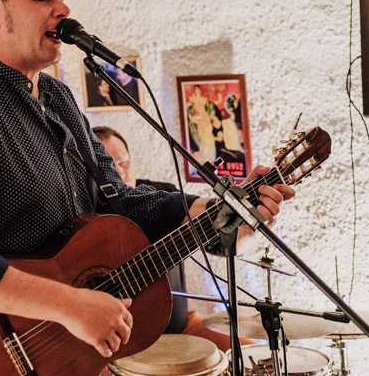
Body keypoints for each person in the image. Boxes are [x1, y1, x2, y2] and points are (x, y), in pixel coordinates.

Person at [0, 0, 294, 376]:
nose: (63, 9)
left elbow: (119, 202)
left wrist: (206, 212)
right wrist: (70, 306)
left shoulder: (59, 100)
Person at [92, 126, 258, 353]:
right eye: (110, 167)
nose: (120, 174)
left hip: (181, 328)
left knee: (249, 353)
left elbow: (226, 245)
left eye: (124, 163)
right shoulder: (87, 215)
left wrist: (249, 227)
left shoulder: (162, 196)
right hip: (120, 343)